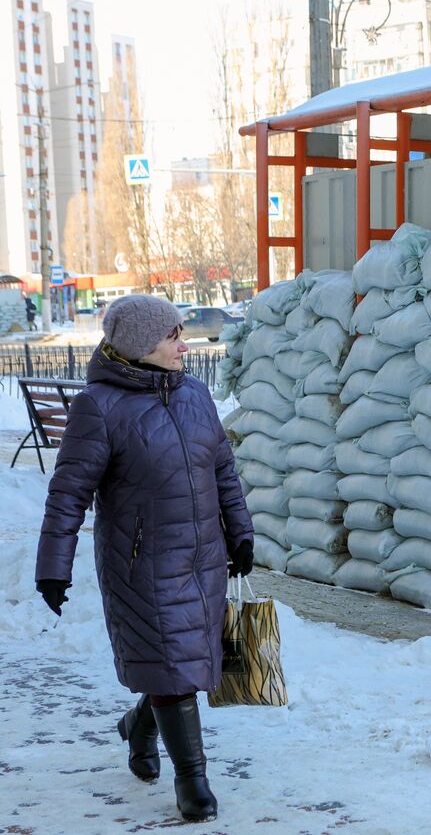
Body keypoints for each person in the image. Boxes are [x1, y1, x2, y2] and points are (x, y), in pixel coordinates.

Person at [34, 293, 254, 823]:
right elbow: (69, 493)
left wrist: (240, 534)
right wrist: (52, 566)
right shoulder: (99, 407)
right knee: (174, 668)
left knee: (182, 665)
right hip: (142, 565)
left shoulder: (195, 394)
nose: (184, 344)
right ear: (139, 346)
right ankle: (193, 781)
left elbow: (223, 469)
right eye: (173, 335)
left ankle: (138, 725)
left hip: (202, 559)